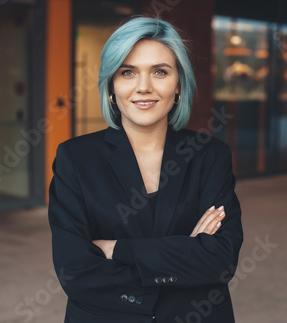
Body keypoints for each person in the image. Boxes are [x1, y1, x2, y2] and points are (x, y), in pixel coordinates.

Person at [48, 16, 243, 323]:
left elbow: (219, 261)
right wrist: (185, 255)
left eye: (160, 72)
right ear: (112, 85)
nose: (143, 87)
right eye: (128, 72)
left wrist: (118, 250)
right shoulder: (75, 158)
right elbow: (76, 272)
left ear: (178, 84)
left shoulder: (210, 156)